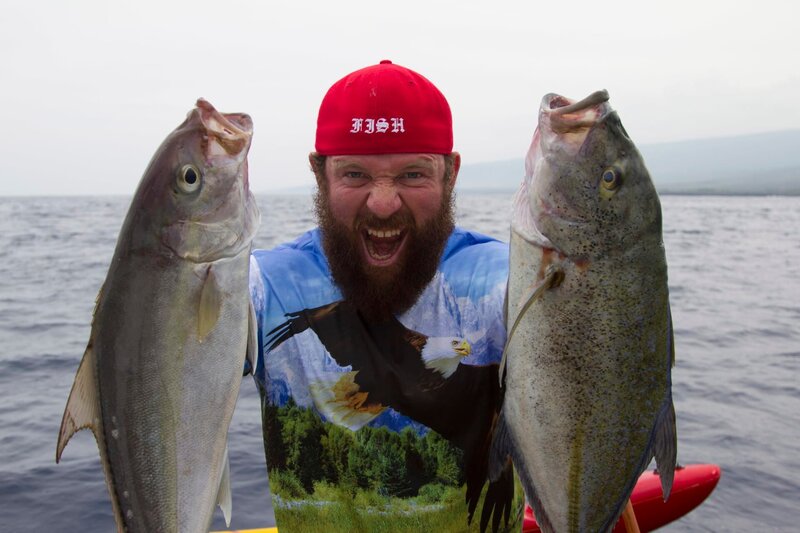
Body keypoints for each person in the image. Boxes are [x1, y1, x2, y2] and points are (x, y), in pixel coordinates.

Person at [249, 60, 522, 532]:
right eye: (355, 174)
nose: (382, 203)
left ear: (450, 173)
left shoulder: (512, 285)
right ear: (320, 174)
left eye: (413, 175)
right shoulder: (263, 286)